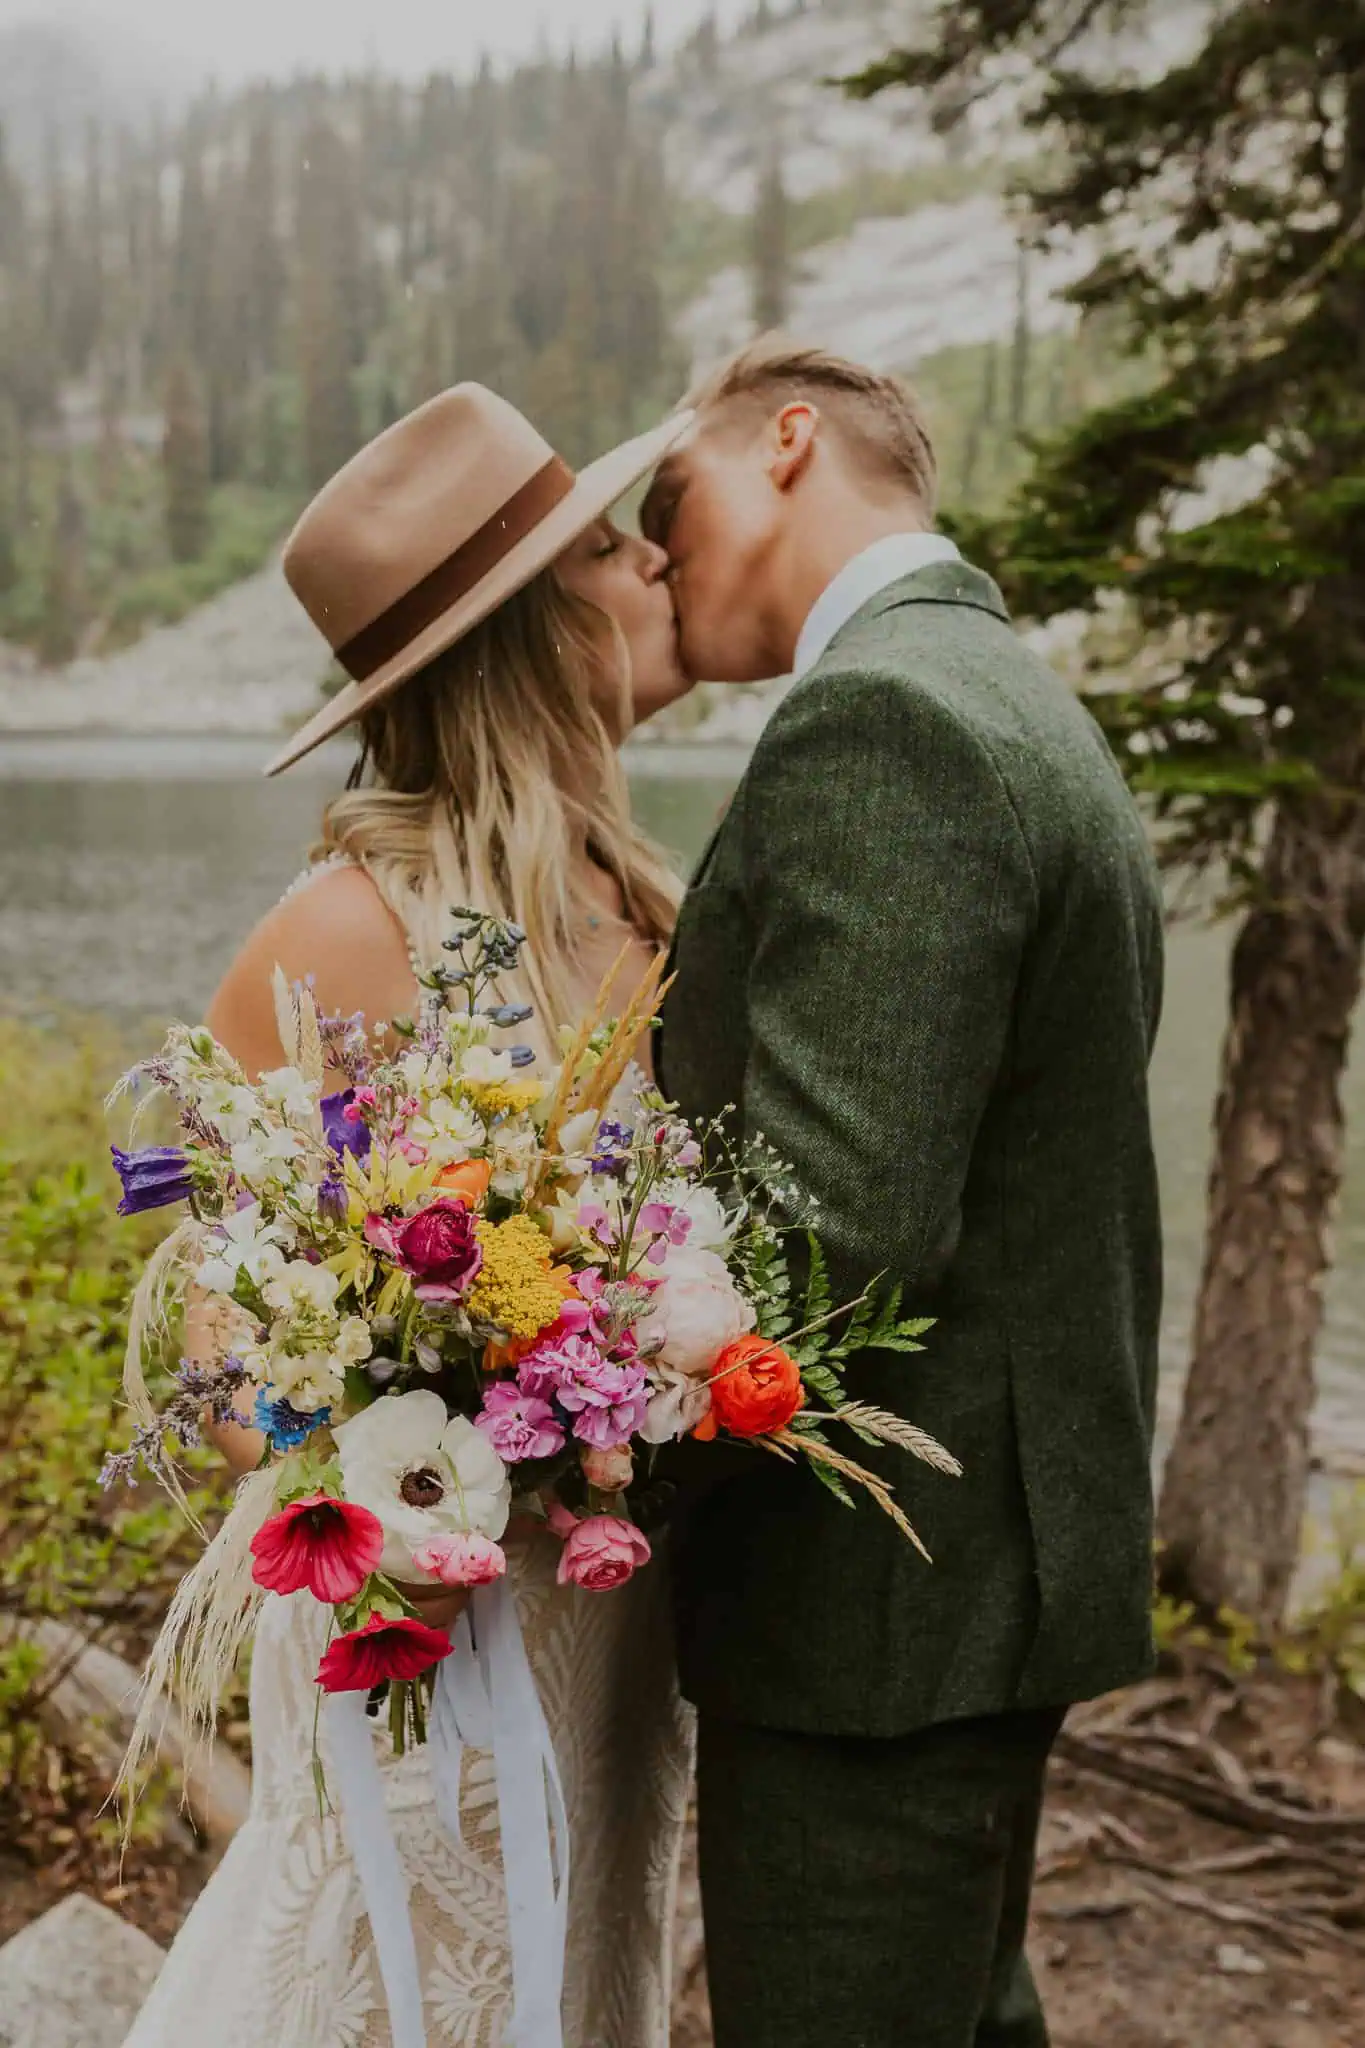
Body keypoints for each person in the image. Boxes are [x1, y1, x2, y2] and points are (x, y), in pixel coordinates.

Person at [124, 384, 698, 2048]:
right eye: (608, 548)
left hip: (608, 1617)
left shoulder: (652, 906)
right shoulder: (347, 928)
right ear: (535, 635)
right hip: (423, 1628)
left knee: (580, 1971)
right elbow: (216, 1330)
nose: (655, 560)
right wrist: (366, 1517)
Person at [645, 338, 1165, 2048]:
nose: (653, 554)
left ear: (788, 443)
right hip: (972, 1579)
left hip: (874, 1607)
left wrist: (559, 1458)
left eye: (672, 498)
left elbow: (828, 1239)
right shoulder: (1005, 691)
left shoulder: (882, 721)